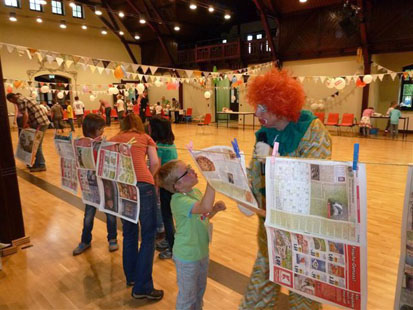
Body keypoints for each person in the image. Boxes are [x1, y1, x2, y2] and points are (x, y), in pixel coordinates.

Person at [239, 69, 332, 310]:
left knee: (303, 290)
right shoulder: (264, 134)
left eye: (263, 107)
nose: (257, 113)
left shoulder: (312, 131)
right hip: (269, 224)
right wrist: (247, 195)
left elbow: (317, 177)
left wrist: (277, 160)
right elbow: (253, 171)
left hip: (300, 228)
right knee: (261, 282)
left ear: (280, 106)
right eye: (257, 106)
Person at [156, 160, 226, 310]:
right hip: (187, 258)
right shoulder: (178, 201)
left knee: (199, 292)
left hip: (202, 253)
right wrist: (212, 180)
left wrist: (214, 210)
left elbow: (203, 215)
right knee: (187, 298)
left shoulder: (195, 193)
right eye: (186, 171)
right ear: (178, 186)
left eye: (189, 167)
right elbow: (204, 206)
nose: (192, 170)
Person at [109, 114, 163, 301]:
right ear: (140, 125)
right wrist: (148, 174)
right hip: (143, 185)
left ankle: (131, 277)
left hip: (123, 186)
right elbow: (155, 162)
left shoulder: (114, 139)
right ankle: (143, 286)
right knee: (148, 235)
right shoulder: (145, 138)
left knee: (129, 232)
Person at [73, 114, 118, 256]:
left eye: (103, 128)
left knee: (110, 213)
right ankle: (85, 240)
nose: (102, 131)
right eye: (100, 129)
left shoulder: (104, 144)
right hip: (90, 187)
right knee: (88, 215)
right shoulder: (81, 143)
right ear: (91, 129)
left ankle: (112, 238)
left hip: (105, 184)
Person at [148, 117, 178, 259]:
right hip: (174, 184)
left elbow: (156, 167)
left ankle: (172, 247)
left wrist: (155, 185)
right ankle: (169, 239)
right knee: (171, 215)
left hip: (166, 185)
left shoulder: (159, 146)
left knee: (167, 217)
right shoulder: (171, 145)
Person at [7, 93, 50, 172]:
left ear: (11, 99)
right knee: (35, 144)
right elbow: (30, 113)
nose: (13, 103)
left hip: (39, 122)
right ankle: (38, 163)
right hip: (41, 122)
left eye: (11, 102)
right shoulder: (26, 97)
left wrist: (23, 126)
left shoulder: (20, 101)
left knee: (36, 144)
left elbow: (25, 115)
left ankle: (41, 164)